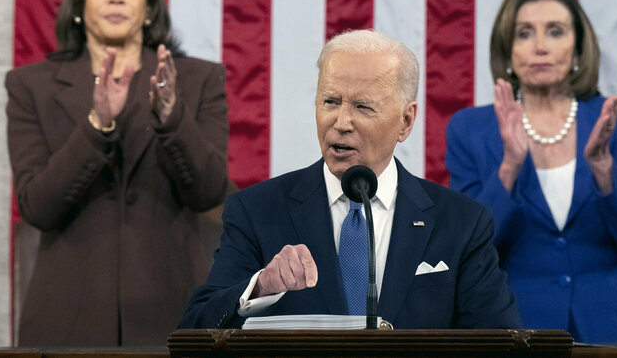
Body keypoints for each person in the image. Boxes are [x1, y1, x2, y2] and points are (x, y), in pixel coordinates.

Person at [179, 30, 520, 330]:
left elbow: (499, 344)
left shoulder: (461, 223)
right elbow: (196, 330)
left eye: (363, 107)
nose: (341, 122)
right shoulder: (257, 211)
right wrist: (258, 288)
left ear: (405, 121)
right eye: (330, 101)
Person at [5, 0, 230, 346]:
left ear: (148, 7)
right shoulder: (30, 86)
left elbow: (210, 191)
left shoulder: (198, 80)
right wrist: (97, 124)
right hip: (66, 320)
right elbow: (36, 205)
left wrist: (171, 118)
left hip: (173, 315)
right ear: (78, 4)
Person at [445, 0, 617, 344]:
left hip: (615, 331)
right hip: (515, 330)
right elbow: (465, 253)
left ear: (579, 51)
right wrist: (509, 166)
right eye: (525, 33)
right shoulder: (471, 129)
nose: (541, 46)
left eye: (556, 32)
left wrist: (604, 170)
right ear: (508, 52)